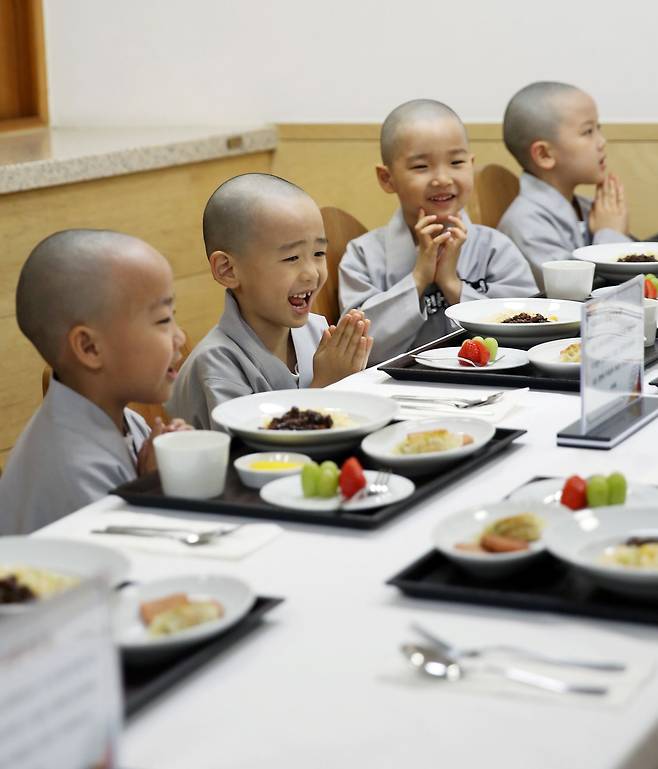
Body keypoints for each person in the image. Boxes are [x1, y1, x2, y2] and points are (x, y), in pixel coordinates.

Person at [0, 229, 189, 534]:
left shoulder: (124, 418)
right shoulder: (71, 469)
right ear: (90, 348)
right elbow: (134, 566)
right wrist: (154, 488)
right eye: (163, 320)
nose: (180, 336)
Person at [338, 99, 537, 364]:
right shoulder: (363, 255)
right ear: (387, 178)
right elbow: (357, 350)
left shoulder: (495, 248)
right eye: (421, 166)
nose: (442, 178)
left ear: (471, 164)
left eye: (456, 162)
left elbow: (530, 333)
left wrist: (453, 285)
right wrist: (419, 277)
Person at [167, 173, 373, 429]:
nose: (312, 272)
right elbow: (256, 457)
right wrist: (326, 387)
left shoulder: (318, 331)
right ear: (228, 270)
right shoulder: (217, 364)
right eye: (291, 258)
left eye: (319, 253)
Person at [498, 81, 632, 289]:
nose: (601, 142)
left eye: (598, 129)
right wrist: (610, 235)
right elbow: (579, 292)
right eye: (588, 132)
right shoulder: (525, 224)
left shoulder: (589, 208)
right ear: (544, 154)